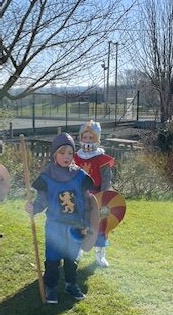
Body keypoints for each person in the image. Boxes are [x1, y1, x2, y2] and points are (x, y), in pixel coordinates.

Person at [25, 132, 94, 304]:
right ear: (54, 154)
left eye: (70, 153)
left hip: (75, 226)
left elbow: (87, 202)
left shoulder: (79, 176)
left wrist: (87, 222)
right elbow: (42, 200)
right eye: (62, 153)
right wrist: (33, 207)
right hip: (55, 227)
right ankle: (51, 287)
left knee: (72, 258)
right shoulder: (47, 177)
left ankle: (71, 284)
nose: (66, 157)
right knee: (53, 259)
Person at [73, 120, 115, 267]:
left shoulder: (101, 158)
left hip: (97, 197)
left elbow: (106, 179)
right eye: (85, 137)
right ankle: (77, 251)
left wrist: (103, 197)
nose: (87, 140)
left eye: (91, 137)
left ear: (97, 138)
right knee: (79, 224)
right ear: (81, 138)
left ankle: (100, 255)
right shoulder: (75, 157)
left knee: (100, 226)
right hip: (79, 197)